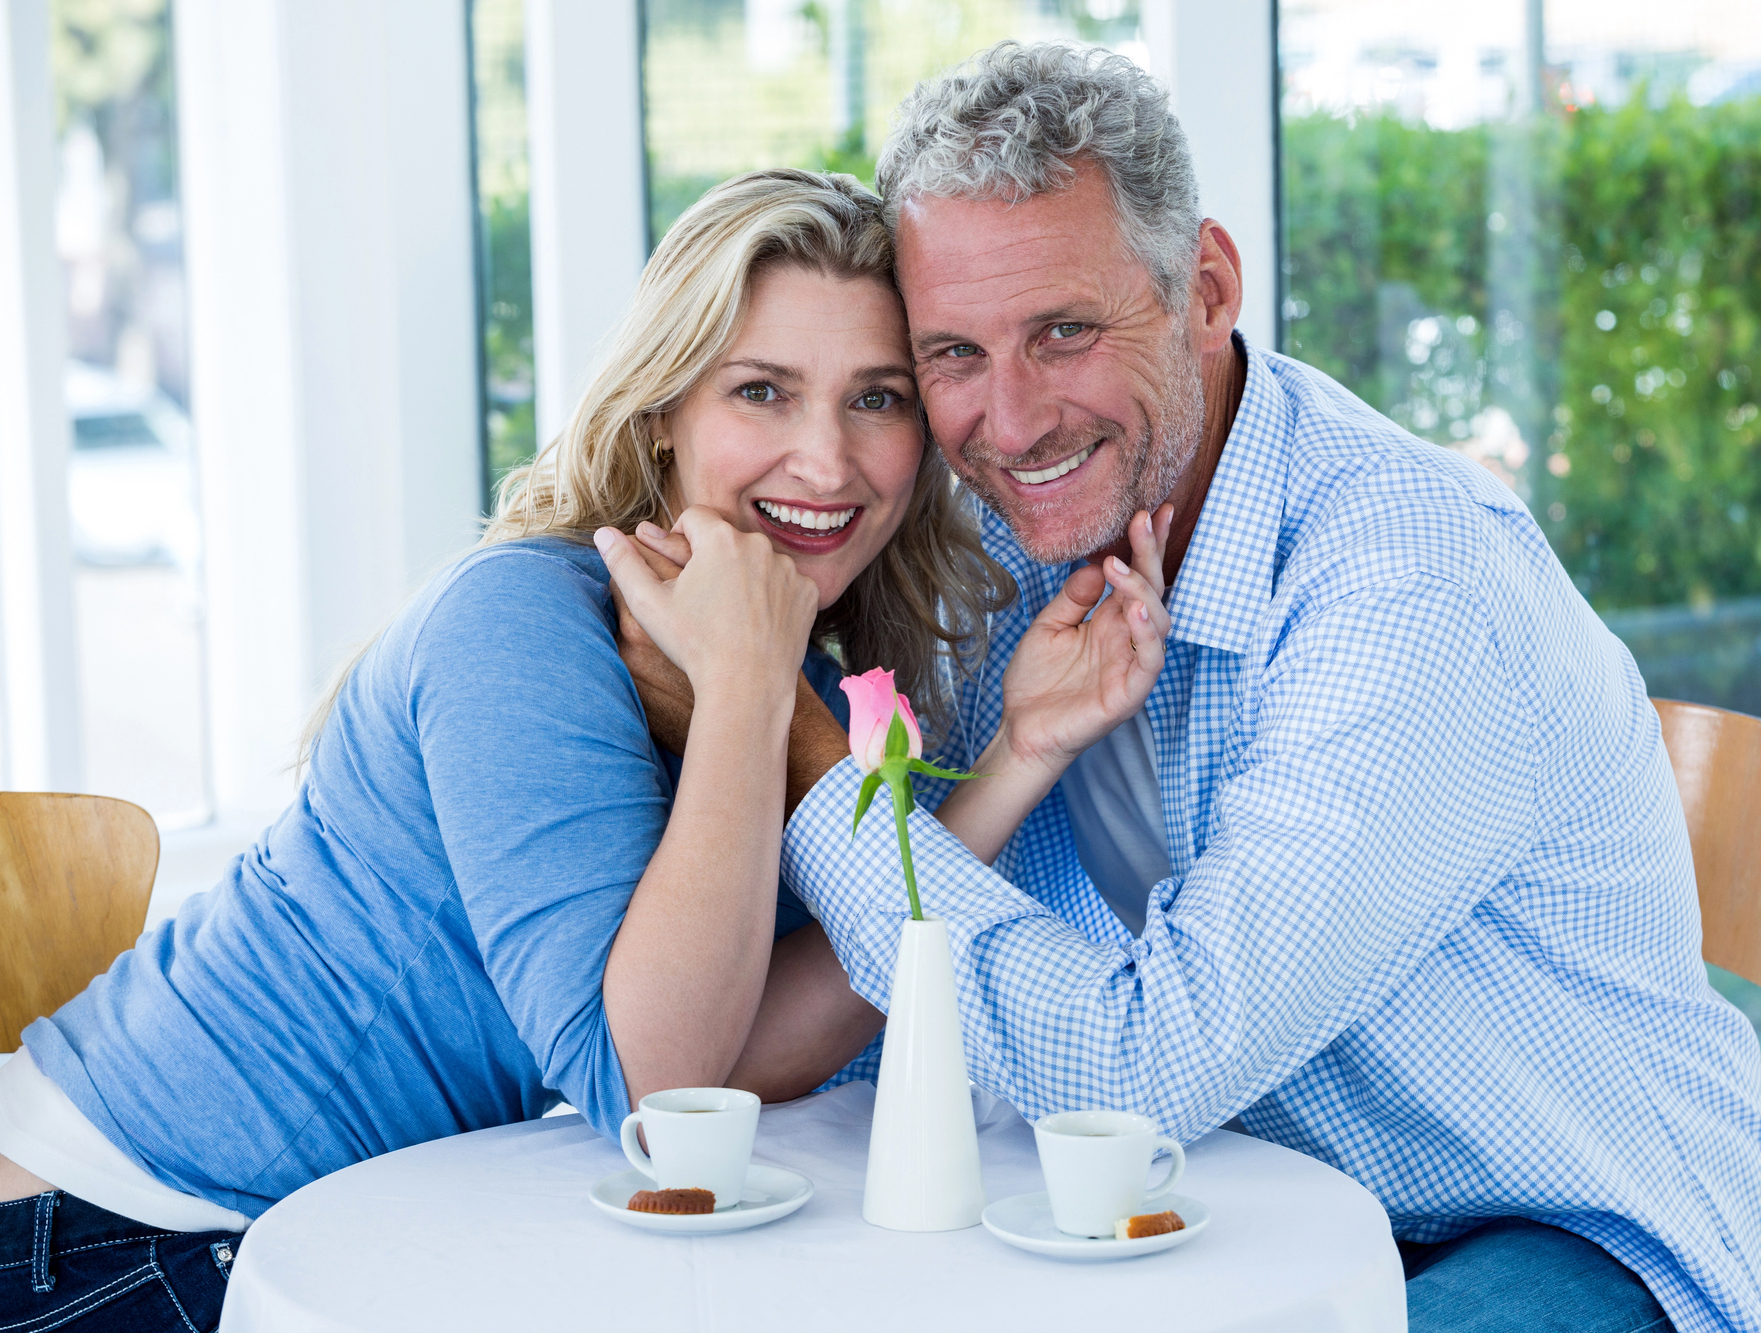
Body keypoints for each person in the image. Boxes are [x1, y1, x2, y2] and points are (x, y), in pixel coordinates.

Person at [611, 44, 1761, 1333]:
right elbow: (882, 988)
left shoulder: (1409, 585)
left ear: (1207, 288)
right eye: (953, 352)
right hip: (1235, 1207)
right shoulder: (1003, 534)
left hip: (1558, 1231)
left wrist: (785, 719)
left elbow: (1141, 1063)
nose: (1007, 426)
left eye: (1062, 332)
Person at [0, 169, 1023, 1330]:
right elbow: (663, 1095)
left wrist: (1011, 766)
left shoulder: (802, 681)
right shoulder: (523, 622)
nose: (827, 462)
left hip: (294, 1229)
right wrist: (747, 690)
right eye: (761, 391)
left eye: (876, 398)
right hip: (102, 1230)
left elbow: (743, 1053)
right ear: (662, 416)